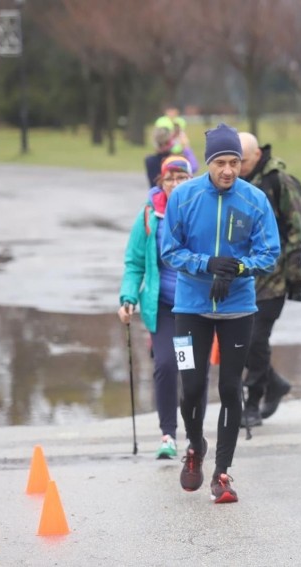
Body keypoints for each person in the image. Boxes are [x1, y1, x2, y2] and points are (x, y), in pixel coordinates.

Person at [161, 123, 280, 504]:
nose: (228, 170)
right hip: (189, 309)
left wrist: (237, 268)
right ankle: (195, 446)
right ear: (208, 163)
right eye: (220, 163)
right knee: (191, 387)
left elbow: (269, 253)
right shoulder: (184, 197)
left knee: (231, 388)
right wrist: (207, 264)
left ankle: (222, 472)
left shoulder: (254, 199)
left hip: (238, 309)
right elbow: (169, 251)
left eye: (235, 162)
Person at [118, 155, 193, 459]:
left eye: (181, 177)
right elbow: (134, 263)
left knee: (188, 368)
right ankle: (168, 435)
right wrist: (128, 298)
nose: (175, 183)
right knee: (165, 364)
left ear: (191, 180)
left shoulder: (199, 211)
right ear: (160, 182)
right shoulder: (149, 215)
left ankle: (193, 432)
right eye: (169, 178)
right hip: (161, 307)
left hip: (193, 308)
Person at [237, 132, 301, 426]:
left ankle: (253, 403)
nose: (235, 166)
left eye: (241, 160)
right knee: (240, 342)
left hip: (272, 278)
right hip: (239, 279)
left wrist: (294, 278)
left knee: (255, 340)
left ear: (256, 155)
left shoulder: (279, 182)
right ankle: (274, 382)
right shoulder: (231, 182)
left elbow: (298, 230)